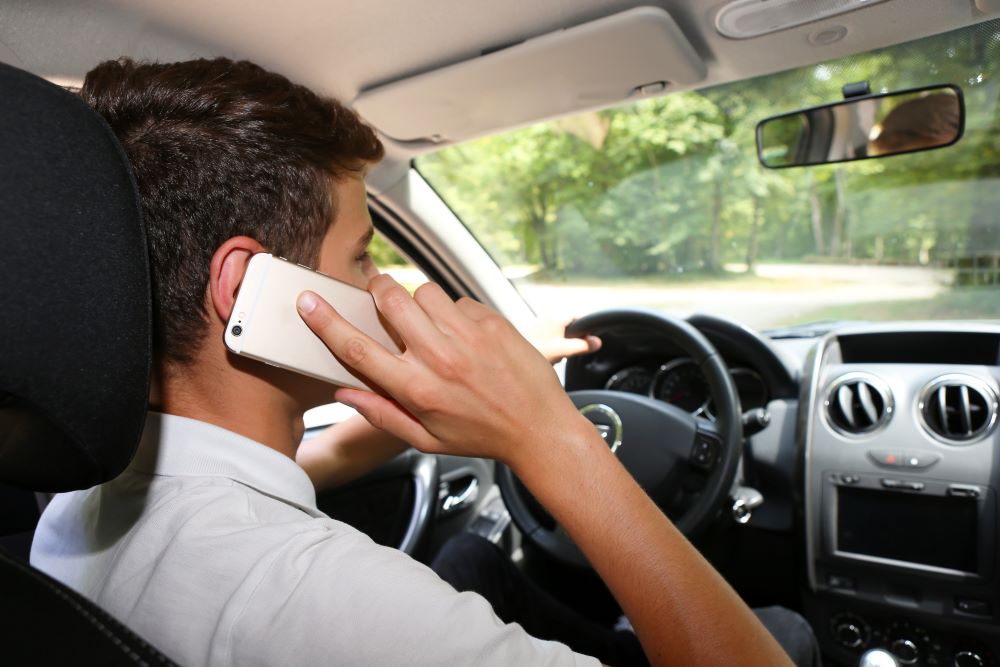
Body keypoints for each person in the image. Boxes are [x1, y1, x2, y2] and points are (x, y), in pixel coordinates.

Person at [31, 56, 798, 667]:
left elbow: (319, 457)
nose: (382, 287)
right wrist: (548, 432)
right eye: (363, 257)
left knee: (472, 556)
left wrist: (483, 393)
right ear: (248, 289)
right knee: (789, 631)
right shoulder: (319, 597)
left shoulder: (80, 494)